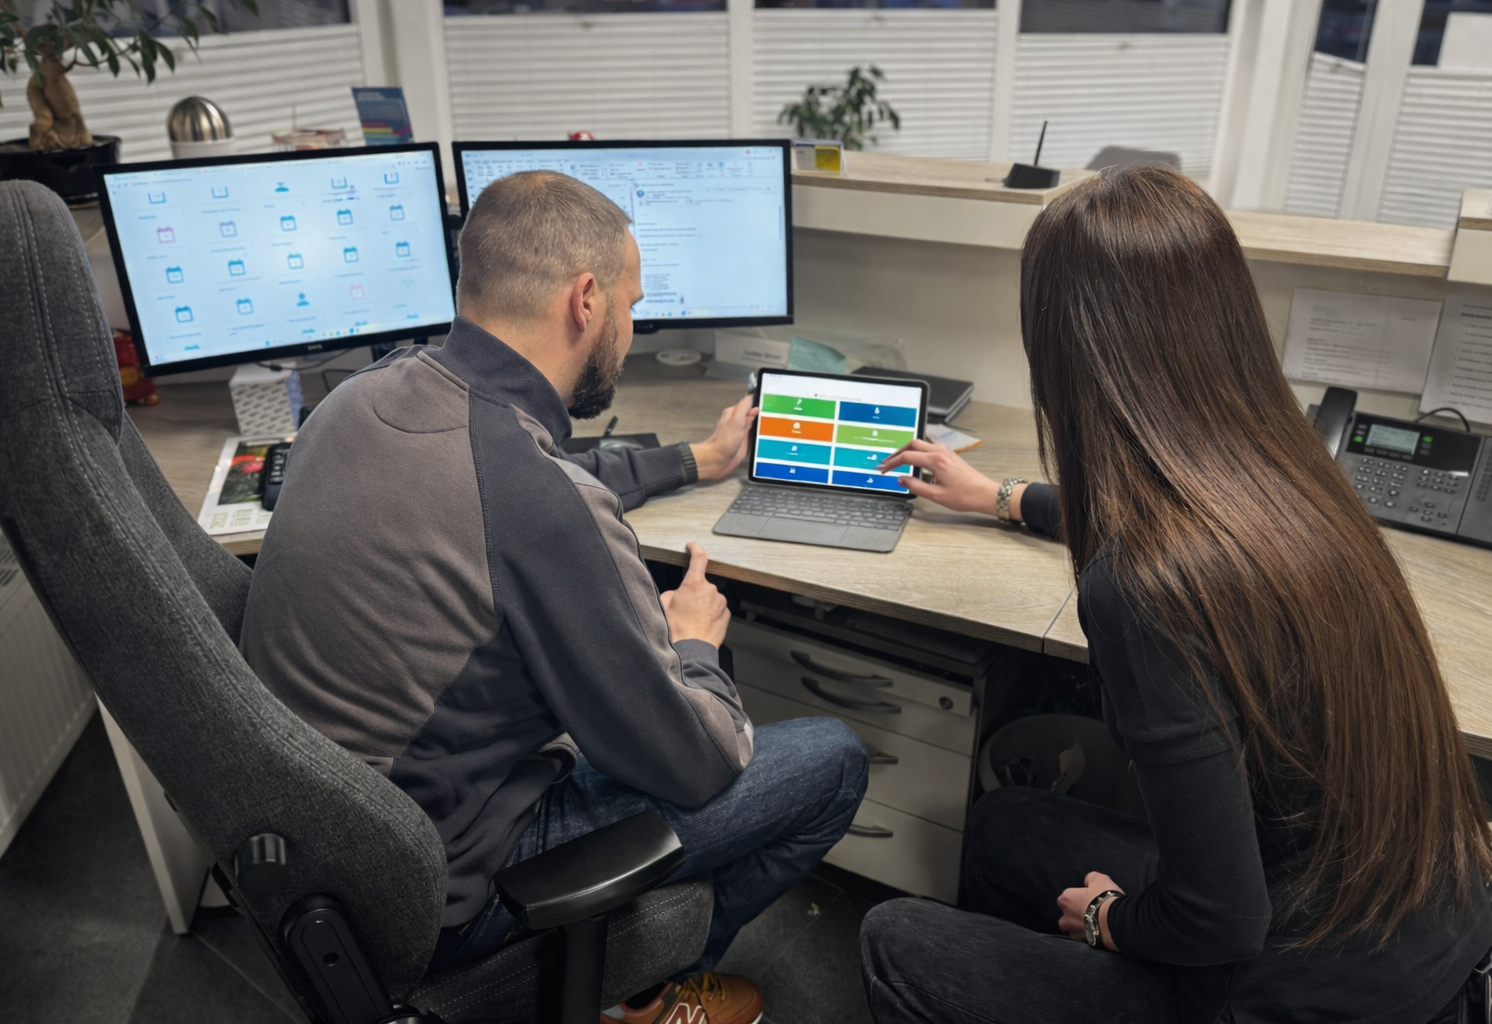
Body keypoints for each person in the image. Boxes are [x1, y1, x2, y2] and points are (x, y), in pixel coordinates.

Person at [860, 166, 1492, 1023]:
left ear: (1065, 352)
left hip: (1299, 986)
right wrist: (1002, 496)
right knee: (1005, 825)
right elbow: (1162, 500)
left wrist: (1109, 922)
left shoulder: (1139, 591)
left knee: (895, 938)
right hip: (1413, 926)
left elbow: (1219, 918)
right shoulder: (1300, 476)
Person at [240, 170, 868, 1024]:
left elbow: (535, 466)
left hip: (329, 859)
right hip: (446, 888)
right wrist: (694, 648)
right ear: (585, 300)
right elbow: (698, 762)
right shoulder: (538, 501)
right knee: (831, 758)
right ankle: (646, 988)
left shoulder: (357, 400)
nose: (632, 328)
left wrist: (693, 459)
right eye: (631, 303)